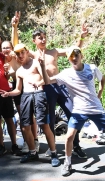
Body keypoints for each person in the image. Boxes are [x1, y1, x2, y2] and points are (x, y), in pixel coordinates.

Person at [45, 46, 105, 176]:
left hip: (96, 107)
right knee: (69, 136)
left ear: (81, 56)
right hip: (79, 109)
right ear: (68, 59)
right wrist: (41, 65)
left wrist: (100, 93)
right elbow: (48, 81)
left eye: (76, 55)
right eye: (71, 56)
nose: (74, 58)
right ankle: (67, 163)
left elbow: (102, 79)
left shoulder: (92, 68)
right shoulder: (66, 74)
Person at [12, 21, 89, 158]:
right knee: (50, 120)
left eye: (44, 36)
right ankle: (51, 148)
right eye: (40, 37)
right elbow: (16, 46)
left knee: (72, 114)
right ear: (34, 41)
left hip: (60, 86)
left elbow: (74, 49)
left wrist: (82, 37)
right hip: (46, 88)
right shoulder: (33, 55)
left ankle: (75, 145)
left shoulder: (54, 52)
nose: (43, 39)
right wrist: (15, 27)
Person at [0, 44, 60, 166]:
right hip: (25, 96)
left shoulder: (36, 63)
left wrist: (39, 81)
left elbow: (46, 80)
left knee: (43, 124)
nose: (20, 55)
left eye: (22, 52)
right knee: (25, 126)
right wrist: (8, 93)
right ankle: (32, 152)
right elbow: (18, 90)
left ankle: (53, 153)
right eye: (17, 54)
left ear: (26, 52)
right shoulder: (19, 71)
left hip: (38, 94)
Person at [5, 11, 39, 154]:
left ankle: (34, 140)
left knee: (30, 115)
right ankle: (28, 140)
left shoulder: (16, 56)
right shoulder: (2, 60)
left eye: (8, 47)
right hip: (14, 87)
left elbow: (16, 42)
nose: (6, 49)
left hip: (27, 86)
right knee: (23, 115)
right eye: (3, 48)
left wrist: (14, 27)